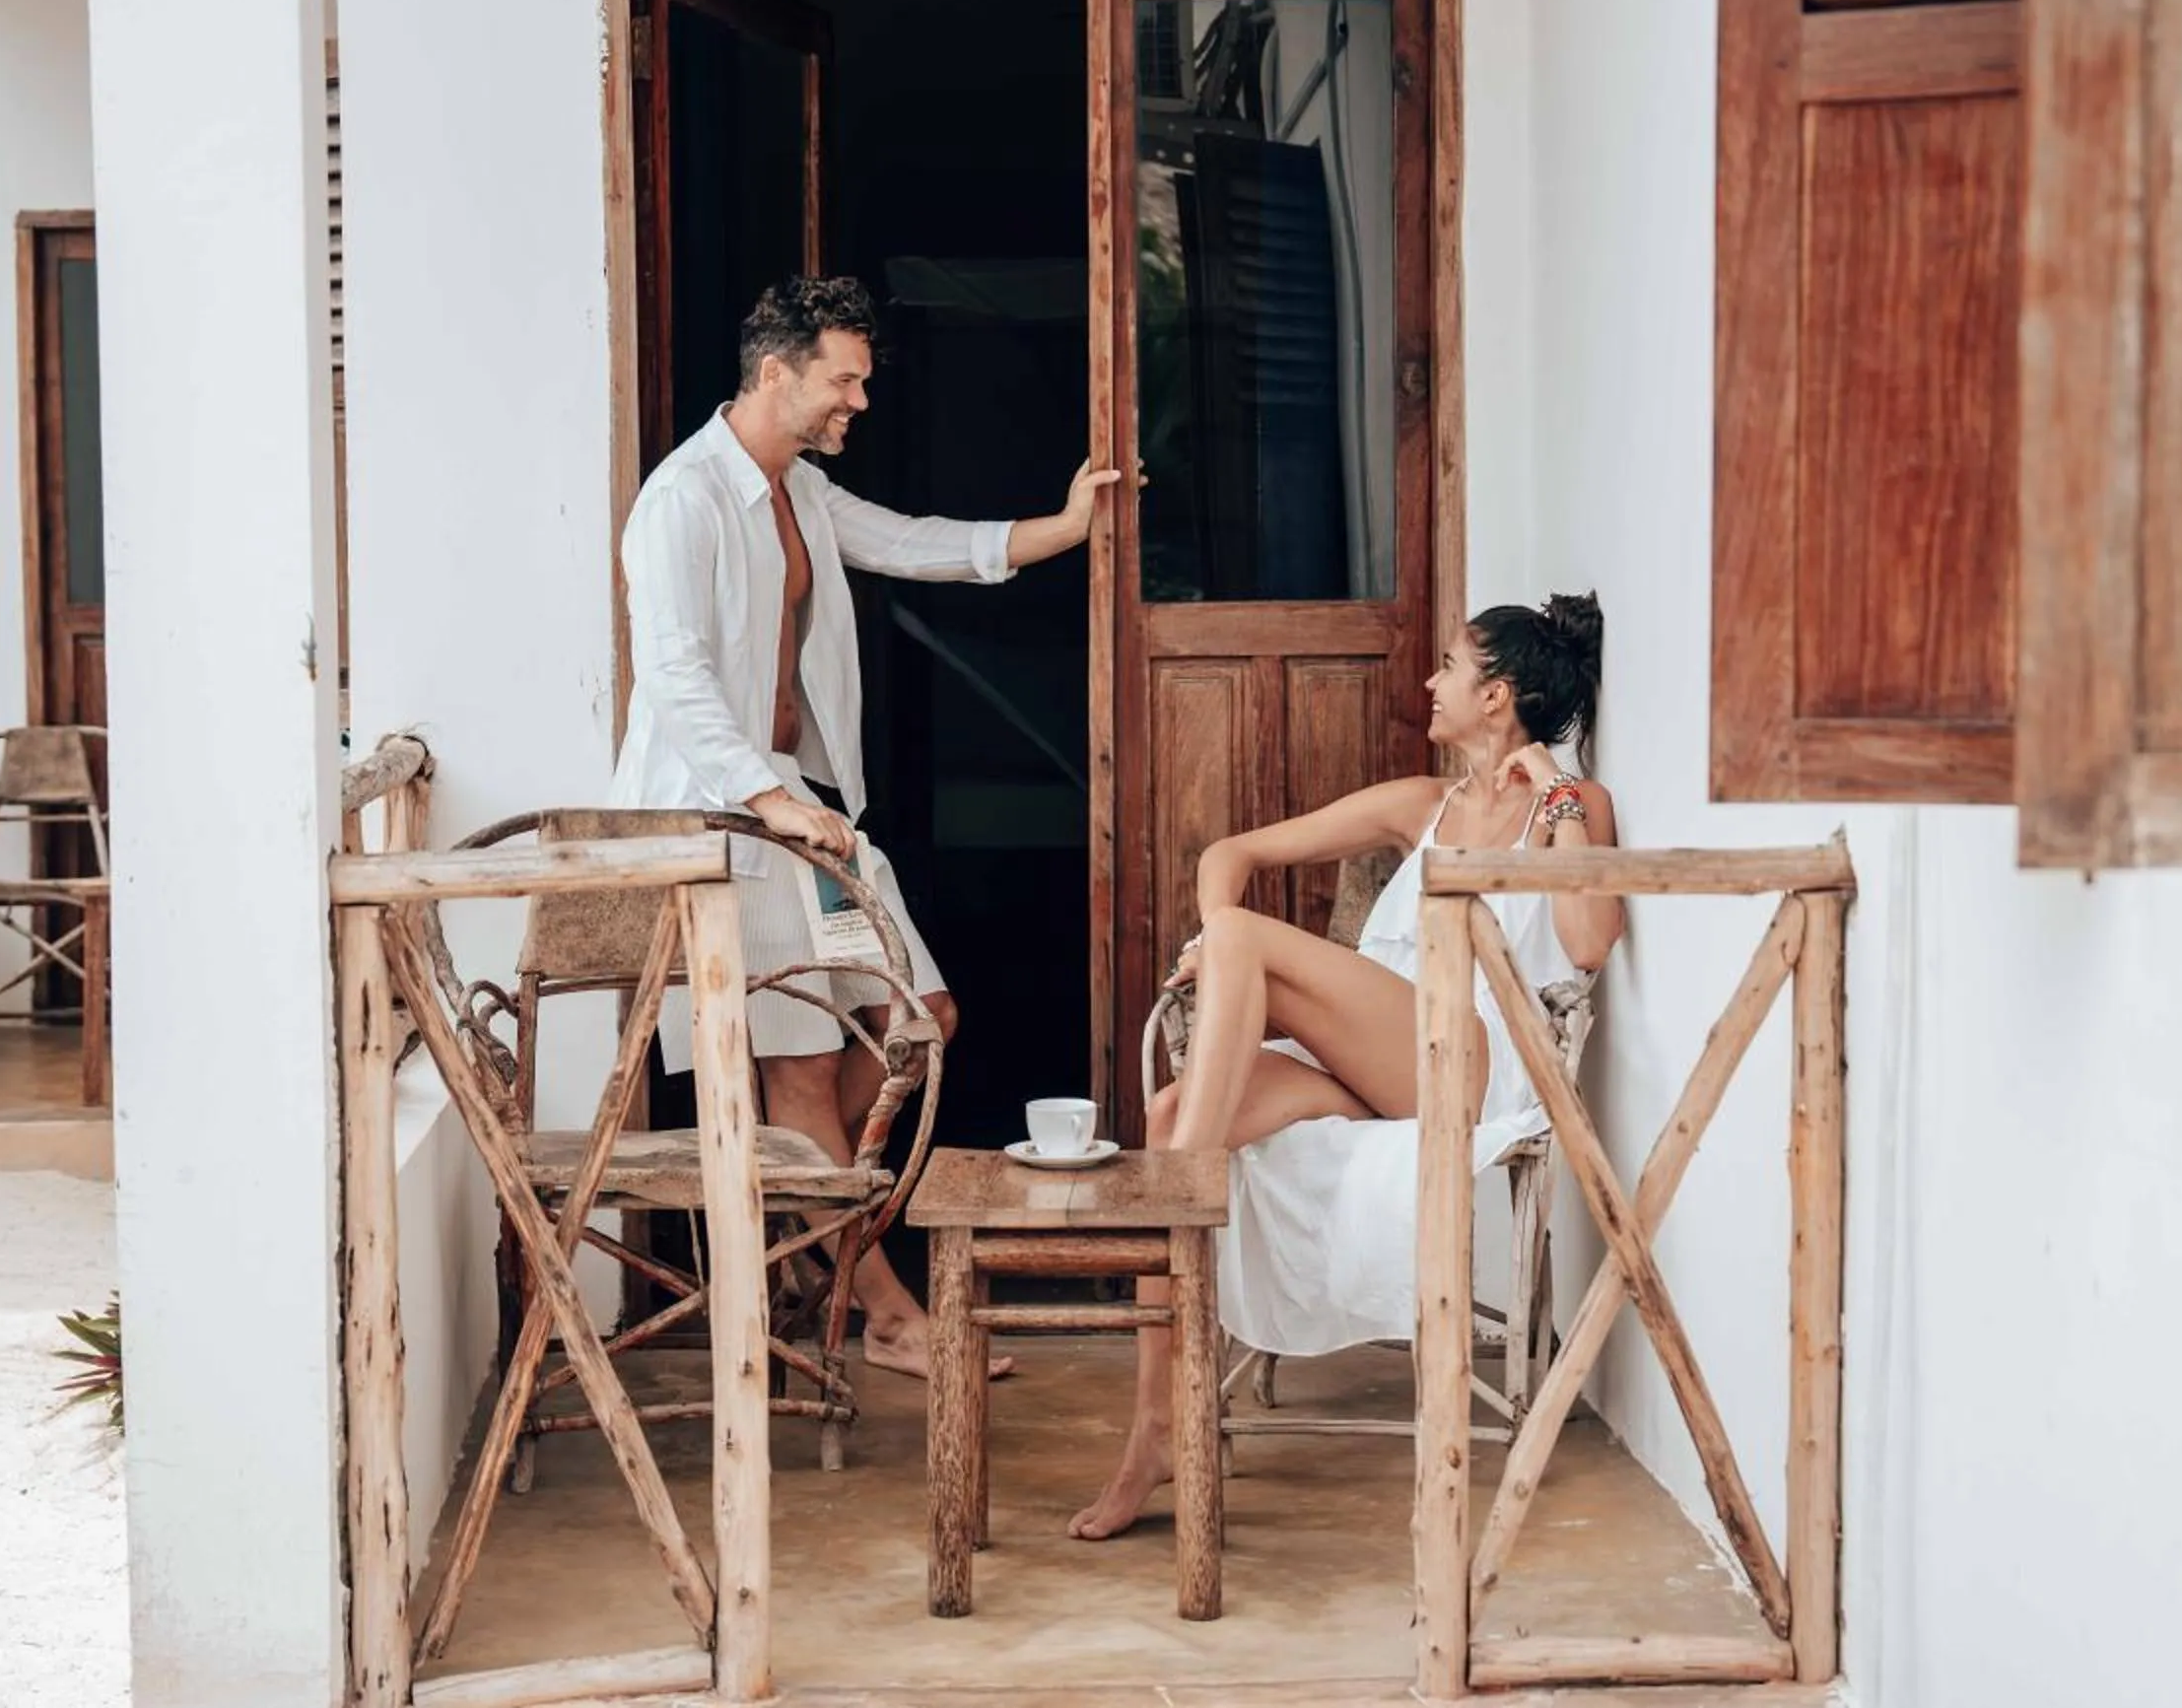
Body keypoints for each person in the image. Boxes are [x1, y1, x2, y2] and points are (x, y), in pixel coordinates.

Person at [612, 274, 1119, 1380]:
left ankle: (806, 1233)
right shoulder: (682, 500)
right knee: (798, 1074)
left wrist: (1065, 529)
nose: (860, 401)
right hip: (724, 826)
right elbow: (676, 674)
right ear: (777, 370)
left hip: (805, 824)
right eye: (844, 380)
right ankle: (880, 1306)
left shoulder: (797, 489)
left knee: (920, 1017)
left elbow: (914, 541)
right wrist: (768, 794)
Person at [1067, 593, 1622, 1540]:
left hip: (1475, 1064)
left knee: (1235, 960)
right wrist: (1211, 941)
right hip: (1379, 1055)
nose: (1429, 681)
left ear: (1499, 697)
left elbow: (1588, 941)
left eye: (1448, 665)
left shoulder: (1573, 808)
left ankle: (1176, 1203)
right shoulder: (1425, 806)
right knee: (1166, 1118)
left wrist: (1563, 798)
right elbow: (1230, 852)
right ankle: (1154, 1435)